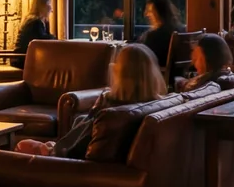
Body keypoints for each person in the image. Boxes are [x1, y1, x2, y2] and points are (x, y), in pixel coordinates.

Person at [17, 42, 167, 157]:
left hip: (71, 163)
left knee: (23, 146)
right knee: (81, 119)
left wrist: (49, 149)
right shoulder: (159, 105)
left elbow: (78, 147)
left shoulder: (109, 110)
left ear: (120, 73)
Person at [137, 0, 182, 70]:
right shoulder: (178, 30)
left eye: (150, 11)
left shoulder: (154, 36)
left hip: (156, 74)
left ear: (160, 13)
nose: (146, 14)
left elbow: (142, 57)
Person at [12, 0, 53, 67]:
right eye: (49, 4)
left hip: (27, 57)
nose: (51, 8)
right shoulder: (34, 22)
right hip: (23, 59)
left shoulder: (41, 21)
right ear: (41, 6)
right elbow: (41, 41)